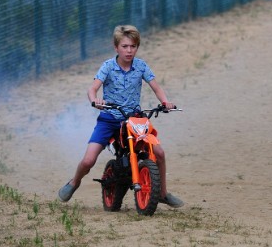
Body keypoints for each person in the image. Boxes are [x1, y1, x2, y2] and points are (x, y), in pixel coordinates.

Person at [58, 25, 183, 208]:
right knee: (88, 160)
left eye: (133, 46)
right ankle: (74, 182)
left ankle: (162, 193)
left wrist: (165, 102)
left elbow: (156, 87)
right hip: (109, 119)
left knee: (159, 152)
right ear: (116, 47)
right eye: (124, 46)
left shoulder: (141, 66)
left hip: (134, 120)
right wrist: (95, 100)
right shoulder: (108, 66)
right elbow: (92, 89)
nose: (129, 50)